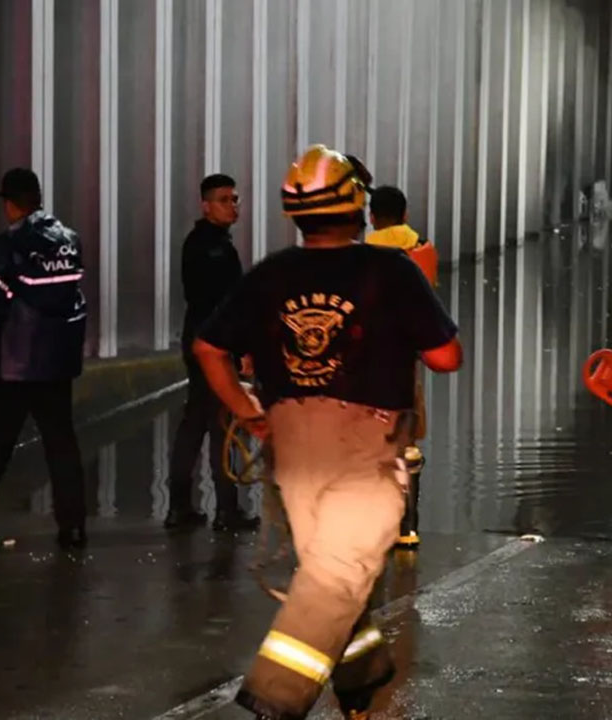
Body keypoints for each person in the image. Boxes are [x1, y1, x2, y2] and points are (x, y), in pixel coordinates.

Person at [192, 144, 462, 719]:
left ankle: (362, 680)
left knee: (332, 571)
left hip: (290, 450)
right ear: (357, 205)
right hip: (366, 449)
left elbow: (209, 347)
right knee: (339, 576)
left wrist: (248, 412)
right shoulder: (390, 271)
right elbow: (445, 357)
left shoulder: (270, 275)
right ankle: (275, 697)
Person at [0, 168, 88, 550]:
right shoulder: (69, 242)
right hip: (56, 366)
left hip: (14, 365)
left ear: (10, 204)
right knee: (62, 445)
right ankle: (73, 528)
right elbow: (73, 300)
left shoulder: (5, 248)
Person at [163, 173, 259, 532]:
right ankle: (226, 510)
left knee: (196, 422)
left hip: (201, 340)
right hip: (215, 345)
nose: (233, 206)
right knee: (221, 423)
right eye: (224, 199)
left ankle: (182, 506)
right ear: (206, 205)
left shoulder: (201, 242)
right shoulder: (214, 247)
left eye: (235, 199)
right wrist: (242, 347)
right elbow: (225, 303)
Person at [364, 185, 438, 549]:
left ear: (371, 217)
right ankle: (406, 527)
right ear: (406, 214)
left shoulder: (358, 255)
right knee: (407, 442)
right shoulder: (421, 249)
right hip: (405, 361)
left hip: (364, 363)